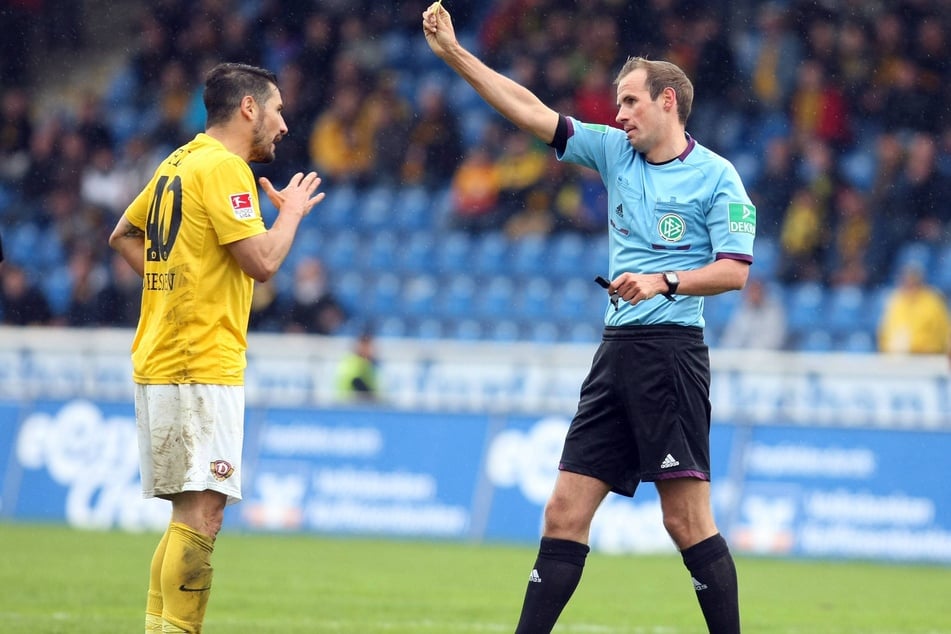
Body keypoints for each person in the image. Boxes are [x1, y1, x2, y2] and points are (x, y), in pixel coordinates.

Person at [423, 6, 753, 634]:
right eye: (616, 104)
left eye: (628, 102)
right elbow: (528, 110)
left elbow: (736, 270)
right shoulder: (613, 153)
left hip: (672, 354)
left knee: (685, 522)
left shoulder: (717, 177)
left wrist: (663, 279)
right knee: (563, 512)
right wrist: (455, 56)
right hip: (616, 354)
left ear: (667, 102)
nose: (619, 114)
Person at [107, 62, 325, 634]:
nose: (283, 124)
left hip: (166, 355)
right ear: (248, 108)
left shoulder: (179, 161)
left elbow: (124, 235)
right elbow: (265, 263)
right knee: (204, 514)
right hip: (198, 361)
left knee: (189, 514)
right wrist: (293, 215)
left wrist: (177, 285)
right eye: (276, 109)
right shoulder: (227, 169)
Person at [878, 262, 950, 355]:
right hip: (897, 358)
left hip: (926, 358)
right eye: (905, 282)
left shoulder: (933, 302)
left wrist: (920, 348)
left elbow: (942, 335)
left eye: (912, 282)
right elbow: (884, 334)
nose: (909, 286)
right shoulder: (895, 301)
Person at [718, 278, 787, 350]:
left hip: (765, 356)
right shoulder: (742, 311)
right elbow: (732, 337)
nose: (753, 295)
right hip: (741, 356)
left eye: (756, 291)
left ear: (762, 292)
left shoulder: (773, 312)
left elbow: (774, 340)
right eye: (750, 291)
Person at [335, 329, 379, 402]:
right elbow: (355, 382)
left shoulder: (371, 365)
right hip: (348, 404)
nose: (369, 349)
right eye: (366, 346)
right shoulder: (351, 362)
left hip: (364, 405)